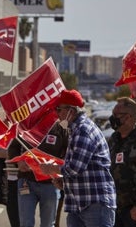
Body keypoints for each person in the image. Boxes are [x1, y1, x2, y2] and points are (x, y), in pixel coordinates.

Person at [40, 89, 116, 227]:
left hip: (94, 203)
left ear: (71, 110)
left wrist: (51, 168)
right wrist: (64, 182)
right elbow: (78, 168)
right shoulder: (76, 130)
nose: (57, 113)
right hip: (80, 204)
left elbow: (75, 168)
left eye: (59, 109)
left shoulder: (83, 130)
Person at [8, 121, 68, 227]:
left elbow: (68, 153)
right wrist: (19, 162)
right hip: (26, 182)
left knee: (48, 224)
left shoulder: (60, 128)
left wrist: (56, 169)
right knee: (26, 223)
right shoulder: (26, 124)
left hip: (51, 184)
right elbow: (13, 148)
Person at [108, 97, 136, 227]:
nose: (112, 118)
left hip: (135, 210)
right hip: (115, 207)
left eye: (116, 115)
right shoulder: (114, 138)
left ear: (128, 117)